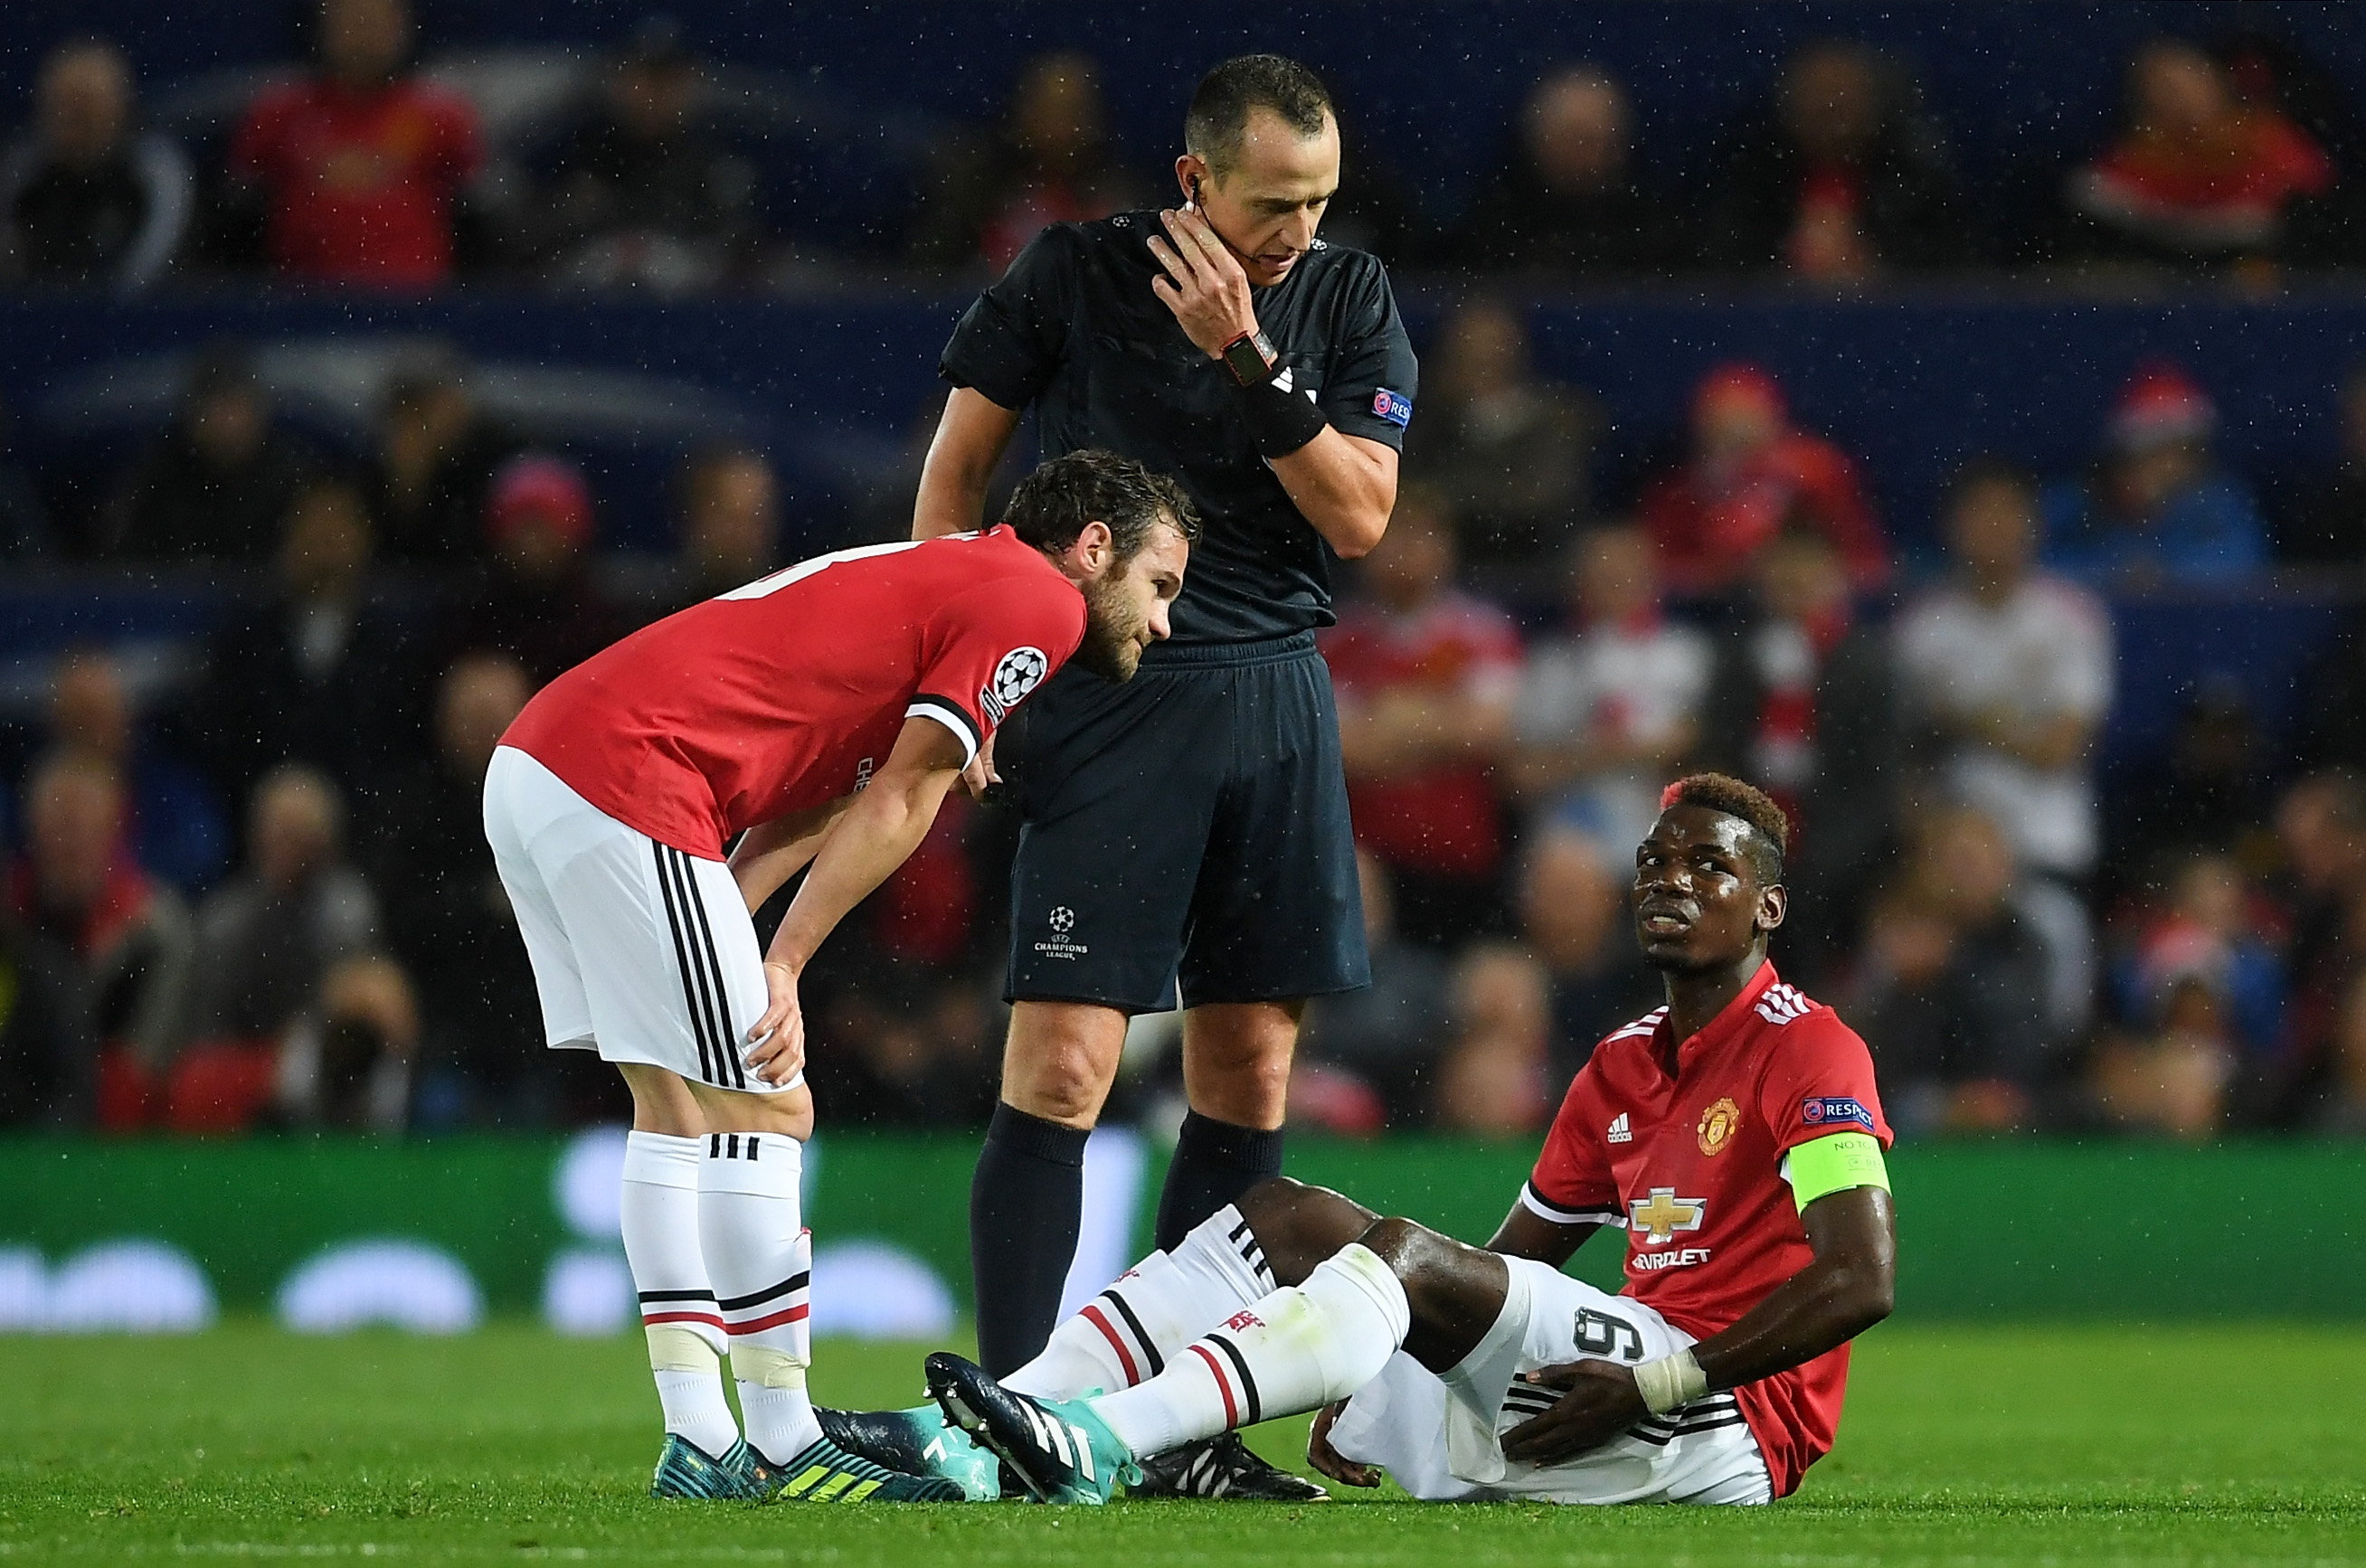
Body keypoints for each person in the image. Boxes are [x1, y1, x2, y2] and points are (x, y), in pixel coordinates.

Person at [838, 774, 1896, 1509]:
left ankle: (1107, 1440)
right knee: (1286, 1217)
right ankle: (990, 1435)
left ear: (1767, 906)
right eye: (1654, 860)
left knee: (1394, 1257)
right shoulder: (1621, 1063)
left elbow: (1861, 1279)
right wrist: (1361, 1343)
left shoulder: (1812, 1051)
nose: (1669, 879)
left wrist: (1661, 1383)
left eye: (1706, 866)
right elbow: (1511, 1269)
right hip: (1596, 1379)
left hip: (1716, 1420)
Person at [484, 449, 1193, 1502]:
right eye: (1159, 585)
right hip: (629, 780)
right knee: (771, 1104)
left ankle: (699, 1439)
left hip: (544, 768)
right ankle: (780, 1440)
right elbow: (904, 797)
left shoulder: (953, 583)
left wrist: (725, 922)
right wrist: (781, 963)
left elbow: (808, 801)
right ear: (1093, 549)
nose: (1164, 621)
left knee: (677, 1106)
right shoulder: (1036, 601)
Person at [912, 54, 1415, 1500]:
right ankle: (1006, 1417)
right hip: (1104, 692)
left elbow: (1363, 515)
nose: (1298, 232)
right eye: (1271, 203)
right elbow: (955, 481)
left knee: (1248, 1069)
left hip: (1273, 698)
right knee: (1064, 1066)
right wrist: (961, 672)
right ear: (1193, 180)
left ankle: (1178, 1429)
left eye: (1319, 201)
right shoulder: (1071, 273)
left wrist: (1248, 353)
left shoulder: (1346, 297)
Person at [1894, 461, 2113, 885]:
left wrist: (1963, 720)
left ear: (2033, 524)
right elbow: (1905, 757)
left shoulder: (2072, 619)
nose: (1993, 526)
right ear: (1952, 525)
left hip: (2048, 840)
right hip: (1950, 848)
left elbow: (2061, 748)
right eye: (1979, 512)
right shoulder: (1920, 630)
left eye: (2006, 512)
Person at [1324, 487, 1524, 947]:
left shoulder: (1483, 632)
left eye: (1419, 535)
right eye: (1393, 536)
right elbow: (1342, 749)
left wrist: (1392, 715)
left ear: (1445, 546)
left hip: (1466, 864)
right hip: (1368, 862)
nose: (1405, 551)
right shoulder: (1334, 641)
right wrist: (1438, 722)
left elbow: (1487, 732)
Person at [226, 0, 483, 286]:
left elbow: (481, 212)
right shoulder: (280, 112)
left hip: (416, 299)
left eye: (376, 21)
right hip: (298, 299)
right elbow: (237, 214)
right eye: (351, 20)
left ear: (403, 28)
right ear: (322, 26)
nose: (363, 33)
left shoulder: (442, 116)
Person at [1510, 523, 1715, 864]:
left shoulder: (1687, 656)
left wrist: (1593, 753)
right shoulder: (1550, 663)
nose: (1613, 586)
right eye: (1601, 575)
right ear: (1579, 583)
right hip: (1569, 840)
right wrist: (1610, 753)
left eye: (1625, 574)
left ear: (1652, 579)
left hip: (1660, 831)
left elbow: (1696, 747)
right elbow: (1518, 776)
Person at [1699, 40, 1965, 280]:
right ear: (1789, 106)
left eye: (1843, 101)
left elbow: (1952, 265)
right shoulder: (1754, 176)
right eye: (1817, 100)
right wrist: (1787, 260)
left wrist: (1875, 264)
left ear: (1871, 106)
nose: (1830, 113)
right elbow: (1716, 261)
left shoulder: (1911, 180)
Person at [533, 16, 760, 293]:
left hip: (691, 319)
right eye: (643, 78)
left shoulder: (717, 164)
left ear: (691, 85)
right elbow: (534, 255)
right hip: (585, 315)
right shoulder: (573, 154)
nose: (654, 94)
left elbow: (738, 259)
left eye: (668, 81)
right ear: (618, 81)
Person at [2067, 39, 2333, 273]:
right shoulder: (2139, 156)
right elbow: (2102, 198)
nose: (2181, 98)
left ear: (2215, 82)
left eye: (2190, 82)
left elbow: (2311, 189)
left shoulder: (2265, 138)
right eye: (2164, 88)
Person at [1640, 364, 1887, 598]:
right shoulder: (1682, 487)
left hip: (1812, 598)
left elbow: (1864, 556)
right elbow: (1664, 566)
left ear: (1773, 421)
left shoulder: (1816, 470)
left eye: (1744, 421)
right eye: (1720, 427)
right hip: (1719, 608)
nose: (1734, 436)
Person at [184, 765, 380, 1053]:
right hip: (238, 1062)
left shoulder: (349, 909)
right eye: (281, 833)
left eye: (301, 834)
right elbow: (207, 1027)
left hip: (322, 1057)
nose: (291, 848)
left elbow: (354, 1008)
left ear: (327, 841)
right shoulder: (225, 919)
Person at [1399, 300, 1600, 566]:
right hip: (1435, 569)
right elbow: (1409, 492)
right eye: (1465, 354)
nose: (1479, 365)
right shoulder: (1427, 423)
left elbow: (1539, 501)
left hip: (1529, 566)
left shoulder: (1551, 423)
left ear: (1514, 356)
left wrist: (1450, 499)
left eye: (1490, 356)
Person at [906, 51, 1145, 274]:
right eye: (1052, 111)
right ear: (1026, 112)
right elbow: (929, 275)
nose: (1064, 127)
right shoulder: (980, 190)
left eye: (1075, 112)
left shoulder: (1122, 197)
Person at [2041, 361, 2268, 587]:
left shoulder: (2221, 503)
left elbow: (2245, 563)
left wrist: (2164, 573)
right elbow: (2035, 564)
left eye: (2183, 450)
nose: (2169, 466)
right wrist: (2115, 570)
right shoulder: (2071, 503)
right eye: (2155, 452)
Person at [1451, 64, 1681, 278]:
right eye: (1577, 139)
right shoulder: (1498, 222)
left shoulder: (1649, 225)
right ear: (1540, 141)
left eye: (1605, 141)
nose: (1593, 154)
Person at [1, 38, 191, 289]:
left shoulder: (155, 173)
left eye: (85, 107)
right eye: (62, 105)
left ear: (118, 109)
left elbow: (151, 269)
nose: (72, 119)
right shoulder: (22, 173)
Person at [105, 345, 320, 562]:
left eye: (235, 405)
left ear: (260, 411)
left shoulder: (292, 475)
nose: (226, 422)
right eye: (214, 406)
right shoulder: (157, 475)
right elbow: (123, 564)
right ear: (191, 413)